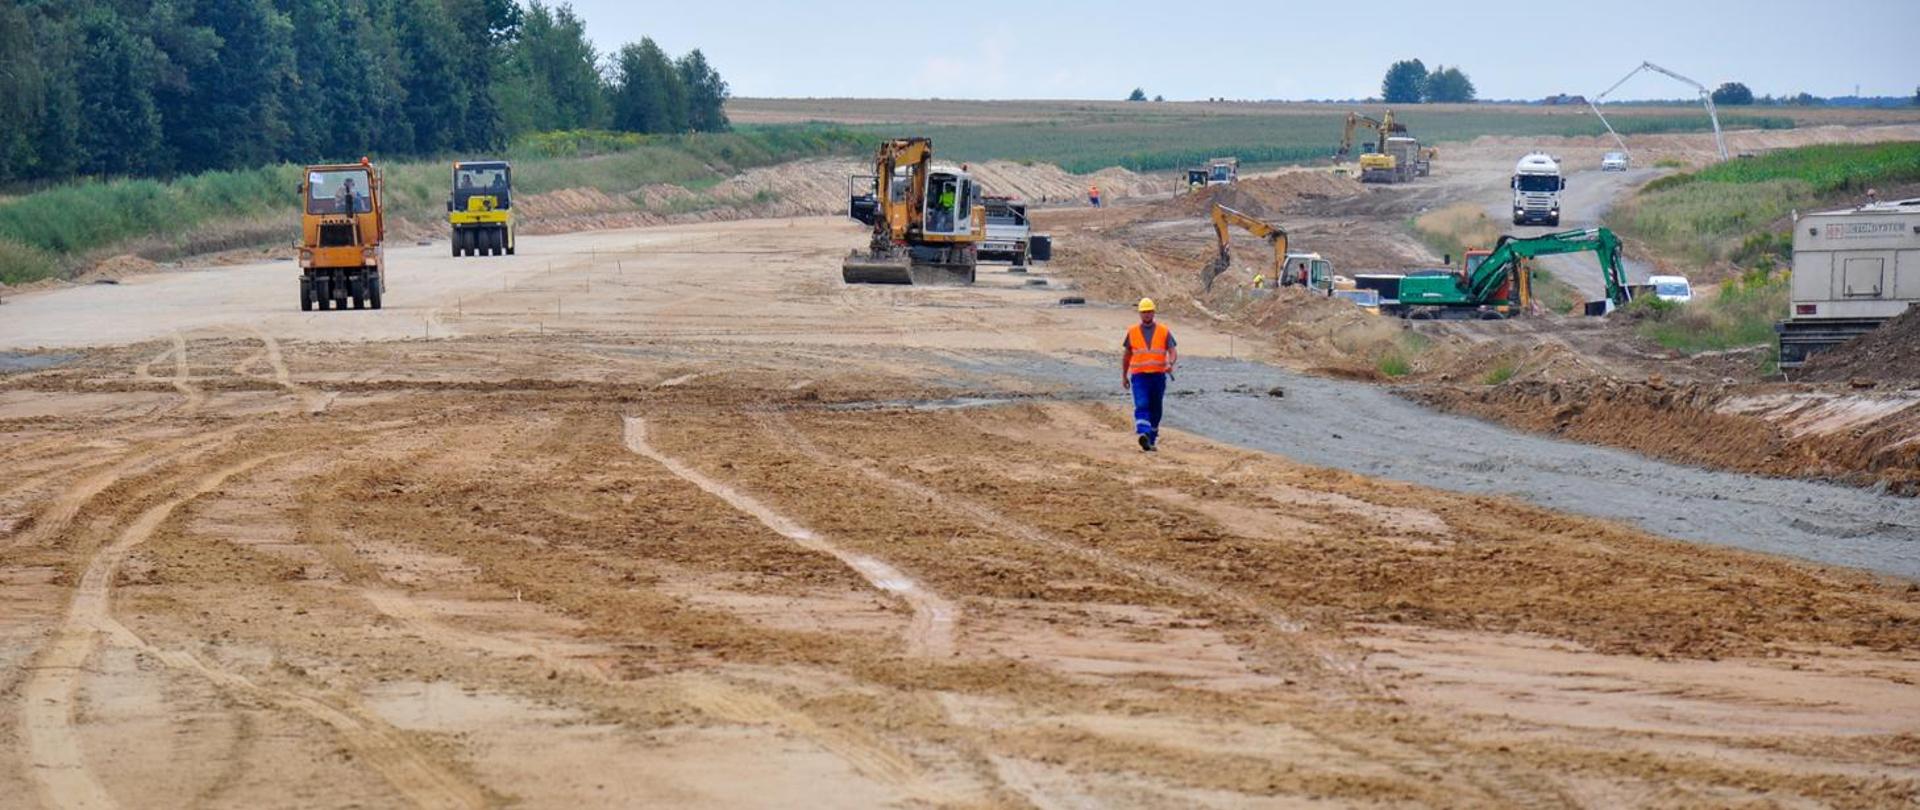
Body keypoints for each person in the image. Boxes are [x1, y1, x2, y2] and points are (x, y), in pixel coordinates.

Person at [1121, 298, 1176, 452]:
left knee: (1156, 408)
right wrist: (1124, 375)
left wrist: (1170, 363)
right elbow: (1126, 356)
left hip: (1158, 377)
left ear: (1153, 312)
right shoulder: (1132, 332)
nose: (1146, 315)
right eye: (1144, 312)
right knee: (1142, 403)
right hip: (1139, 376)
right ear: (1140, 313)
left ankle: (1150, 438)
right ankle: (1143, 433)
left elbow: (1172, 351)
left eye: (1149, 311)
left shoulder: (1164, 331)